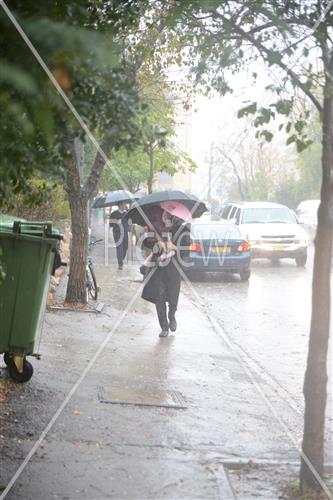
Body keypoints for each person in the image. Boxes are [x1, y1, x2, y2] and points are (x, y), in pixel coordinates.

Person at [141, 210, 191, 338]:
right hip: (158, 266)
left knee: (173, 295)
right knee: (159, 297)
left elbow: (186, 251)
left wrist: (175, 247)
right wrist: (157, 244)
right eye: (165, 214)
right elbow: (146, 242)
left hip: (174, 267)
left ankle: (172, 316)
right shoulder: (156, 226)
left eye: (170, 215)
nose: (167, 216)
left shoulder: (182, 229)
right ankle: (164, 326)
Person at [109, 202, 129, 270]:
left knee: (125, 247)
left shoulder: (127, 214)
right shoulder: (114, 214)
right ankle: (120, 264)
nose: (126, 205)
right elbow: (110, 224)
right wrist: (116, 222)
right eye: (124, 204)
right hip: (117, 233)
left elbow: (130, 222)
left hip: (125, 233)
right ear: (120, 205)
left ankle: (121, 260)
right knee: (119, 248)